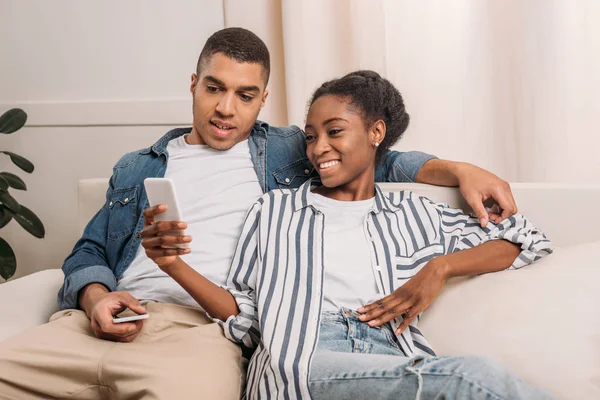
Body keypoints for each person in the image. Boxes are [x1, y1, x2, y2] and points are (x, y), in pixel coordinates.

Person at [0, 28, 518, 399]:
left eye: (245, 95)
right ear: (193, 84)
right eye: (214, 88)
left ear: (263, 99)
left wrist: (460, 170)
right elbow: (90, 250)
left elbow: (380, 156)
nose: (226, 108)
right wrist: (95, 297)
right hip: (103, 320)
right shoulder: (137, 166)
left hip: (204, 332)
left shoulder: (291, 151)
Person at [172, 70, 553, 399]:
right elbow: (245, 320)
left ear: (376, 132)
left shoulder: (415, 214)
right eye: (310, 136)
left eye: (334, 131)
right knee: (470, 380)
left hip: (391, 358)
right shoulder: (274, 210)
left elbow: (525, 240)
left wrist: (440, 267)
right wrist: (173, 264)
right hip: (303, 362)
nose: (318, 148)